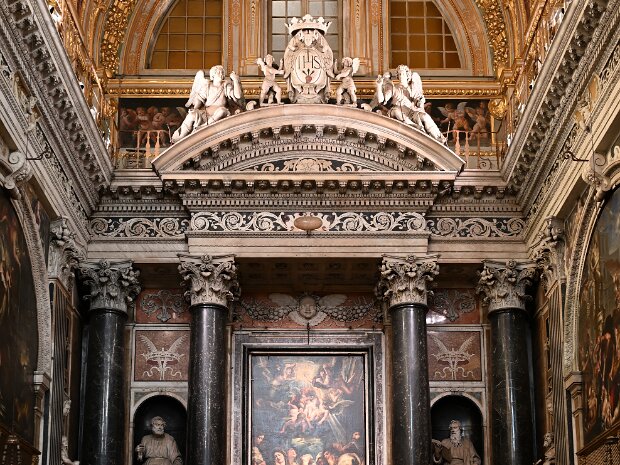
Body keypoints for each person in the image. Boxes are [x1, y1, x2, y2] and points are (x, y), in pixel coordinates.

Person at [171, 65, 242, 143]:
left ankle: (203, 127)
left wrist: (235, 80)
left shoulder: (226, 85)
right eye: (218, 72)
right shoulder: (207, 86)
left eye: (222, 72)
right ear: (212, 76)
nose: (221, 74)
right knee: (191, 115)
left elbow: (238, 96)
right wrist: (195, 109)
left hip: (221, 114)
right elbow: (199, 98)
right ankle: (178, 139)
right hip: (206, 114)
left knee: (222, 110)